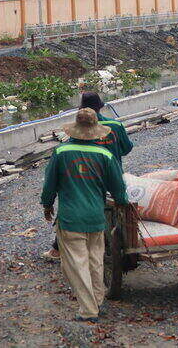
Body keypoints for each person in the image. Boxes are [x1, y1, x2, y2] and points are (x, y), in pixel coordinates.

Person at [40, 108, 128, 322]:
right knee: (95, 261)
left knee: (77, 265)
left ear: (75, 129)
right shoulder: (105, 155)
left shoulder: (61, 152)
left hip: (71, 219)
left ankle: (88, 310)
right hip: (96, 218)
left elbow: (49, 184)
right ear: (95, 130)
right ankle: (98, 301)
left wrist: (47, 204)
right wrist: (123, 205)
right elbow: (118, 190)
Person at [44, 92, 133, 261]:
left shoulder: (67, 145)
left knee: (75, 204)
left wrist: (47, 203)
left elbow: (51, 180)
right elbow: (127, 149)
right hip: (113, 179)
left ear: (80, 110)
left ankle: (58, 248)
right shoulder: (115, 126)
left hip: (83, 179)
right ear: (101, 106)